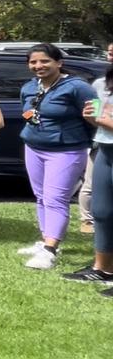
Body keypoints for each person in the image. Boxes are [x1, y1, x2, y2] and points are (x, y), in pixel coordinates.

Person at [18, 43, 97, 270]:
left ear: (59, 63)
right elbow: (28, 111)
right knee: (41, 196)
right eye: (33, 62)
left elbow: (97, 116)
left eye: (44, 61)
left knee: (55, 198)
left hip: (66, 151)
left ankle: (50, 251)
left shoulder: (78, 87)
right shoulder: (30, 87)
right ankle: (46, 241)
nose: (38, 66)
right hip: (33, 146)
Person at [65, 63, 113, 292]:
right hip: (105, 149)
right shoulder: (103, 83)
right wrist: (93, 119)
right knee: (102, 212)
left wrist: (103, 121)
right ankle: (103, 269)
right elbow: (101, 116)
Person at [76, 41, 113, 234]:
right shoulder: (100, 84)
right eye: (109, 53)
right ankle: (88, 221)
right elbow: (95, 116)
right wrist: (94, 119)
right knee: (92, 186)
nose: (111, 57)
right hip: (102, 144)